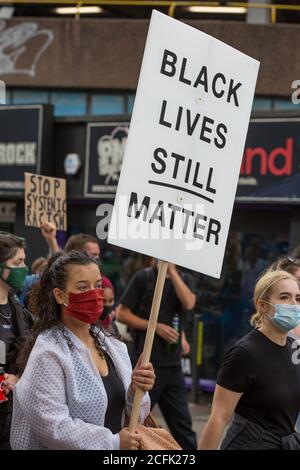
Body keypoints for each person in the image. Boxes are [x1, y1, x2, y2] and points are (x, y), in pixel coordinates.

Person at [11, 251, 155, 450]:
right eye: (82, 287)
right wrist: (112, 443)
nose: (94, 294)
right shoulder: (49, 352)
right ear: (60, 296)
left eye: (97, 285)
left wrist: (136, 389)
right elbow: (52, 425)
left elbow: (134, 414)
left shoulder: (111, 344)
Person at [198, 270, 300, 450]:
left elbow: (286, 415)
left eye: (298, 298)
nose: (293, 305)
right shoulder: (244, 353)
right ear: (262, 306)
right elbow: (219, 417)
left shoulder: (295, 349)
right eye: (284, 297)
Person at [118, 261, 197, 450]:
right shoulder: (143, 277)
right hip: (147, 365)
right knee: (136, 422)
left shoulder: (185, 279)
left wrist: (172, 272)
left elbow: (188, 303)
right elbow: (122, 314)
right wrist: (155, 328)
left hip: (173, 365)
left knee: (183, 427)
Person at [0, 232, 32, 450]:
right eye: (17, 262)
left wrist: (19, 378)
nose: (24, 268)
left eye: (24, 261)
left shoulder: (20, 312)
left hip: (10, 418)